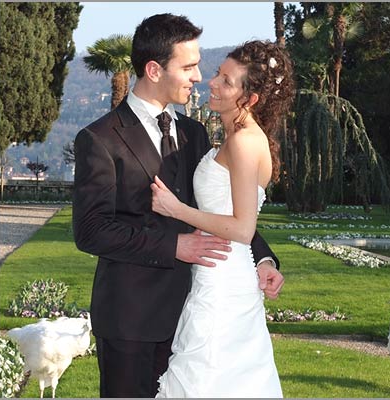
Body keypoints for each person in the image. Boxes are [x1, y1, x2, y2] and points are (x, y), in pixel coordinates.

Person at [72, 14, 284, 398]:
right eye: (188, 67)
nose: (198, 76)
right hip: (131, 321)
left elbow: (225, 210)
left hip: (196, 316)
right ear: (154, 70)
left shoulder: (194, 132)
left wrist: (263, 259)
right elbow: (91, 230)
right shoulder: (99, 139)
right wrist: (174, 246)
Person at [150, 40, 295, 398]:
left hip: (222, 283)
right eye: (218, 73)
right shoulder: (233, 138)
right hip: (215, 273)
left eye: (226, 81)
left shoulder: (245, 142)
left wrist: (175, 209)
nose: (212, 82)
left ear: (251, 99)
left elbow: (243, 228)